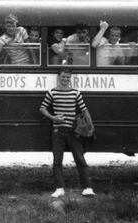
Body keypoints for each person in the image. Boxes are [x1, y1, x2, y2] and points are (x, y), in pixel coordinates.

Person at [40, 69, 96, 198]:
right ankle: (59, 188)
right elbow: (42, 108)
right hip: (58, 131)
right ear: (58, 77)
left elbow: (84, 110)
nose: (65, 79)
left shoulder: (75, 93)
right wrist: (53, 118)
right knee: (57, 161)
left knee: (80, 160)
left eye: (68, 77)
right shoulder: (52, 92)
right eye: (63, 77)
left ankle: (87, 187)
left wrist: (91, 126)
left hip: (73, 132)